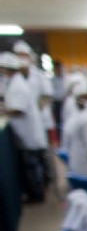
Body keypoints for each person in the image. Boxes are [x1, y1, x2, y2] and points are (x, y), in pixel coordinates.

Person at [0, 52, 49, 203]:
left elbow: (18, 109)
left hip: (28, 133)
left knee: (32, 167)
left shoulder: (18, 85)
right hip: (26, 132)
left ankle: (37, 195)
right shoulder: (14, 83)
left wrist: (3, 110)